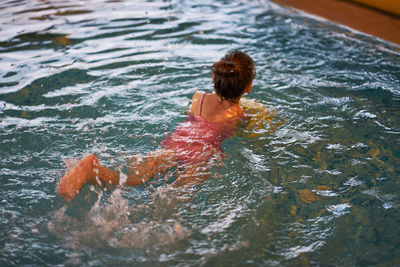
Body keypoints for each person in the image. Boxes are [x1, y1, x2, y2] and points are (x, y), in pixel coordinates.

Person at [57, 50, 256, 201]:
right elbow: (233, 135)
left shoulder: (199, 97)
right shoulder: (240, 116)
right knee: (175, 201)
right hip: (199, 155)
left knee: (133, 178)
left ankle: (92, 169)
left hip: (177, 142)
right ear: (248, 87)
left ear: (215, 79)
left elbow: (193, 116)